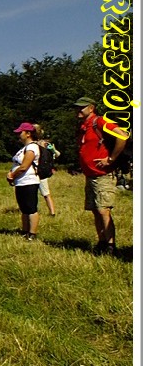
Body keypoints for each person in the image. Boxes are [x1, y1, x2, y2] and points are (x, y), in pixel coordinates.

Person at [74, 96, 130, 255]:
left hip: (103, 175)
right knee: (95, 210)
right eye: (77, 107)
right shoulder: (84, 126)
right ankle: (102, 242)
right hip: (91, 175)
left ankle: (111, 246)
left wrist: (110, 159)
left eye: (82, 107)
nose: (78, 110)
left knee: (103, 210)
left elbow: (122, 135)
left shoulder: (99, 122)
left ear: (91, 108)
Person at [6, 122, 41, 241]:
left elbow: (24, 166)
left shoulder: (32, 147)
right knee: (24, 208)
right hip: (21, 182)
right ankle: (25, 230)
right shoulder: (23, 148)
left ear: (28, 134)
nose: (18, 135)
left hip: (29, 181)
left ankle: (32, 233)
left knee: (31, 208)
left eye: (20, 132)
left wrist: (12, 175)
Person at [33, 123, 60, 216]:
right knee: (46, 193)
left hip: (36, 172)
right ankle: (52, 212)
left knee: (38, 193)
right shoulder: (44, 143)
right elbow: (57, 154)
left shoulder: (34, 144)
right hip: (42, 172)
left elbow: (57, 154)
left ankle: (34, 212)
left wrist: (52, 150)